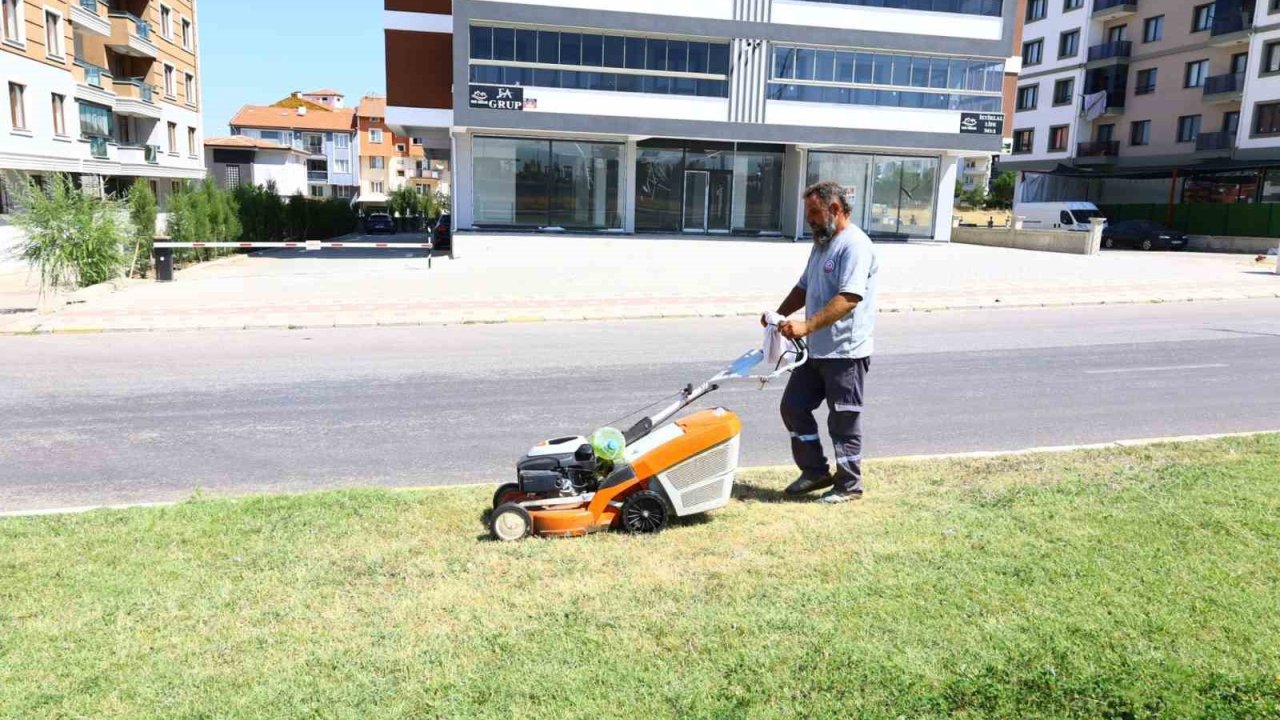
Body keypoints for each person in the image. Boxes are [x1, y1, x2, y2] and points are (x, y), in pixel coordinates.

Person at [766, 181, 879, 504]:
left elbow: (849, 298)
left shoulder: (855, 245)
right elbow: (803, 287)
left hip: (845, 352)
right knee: (793, 406)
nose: (810, 220)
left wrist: (806, 325)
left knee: (843, 418)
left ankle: (849, 486)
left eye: (814, 212)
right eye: (808, 213)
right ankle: (814, 470)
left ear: (835, 209)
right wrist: (777, 314)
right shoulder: (821, 243)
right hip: (816, 349)